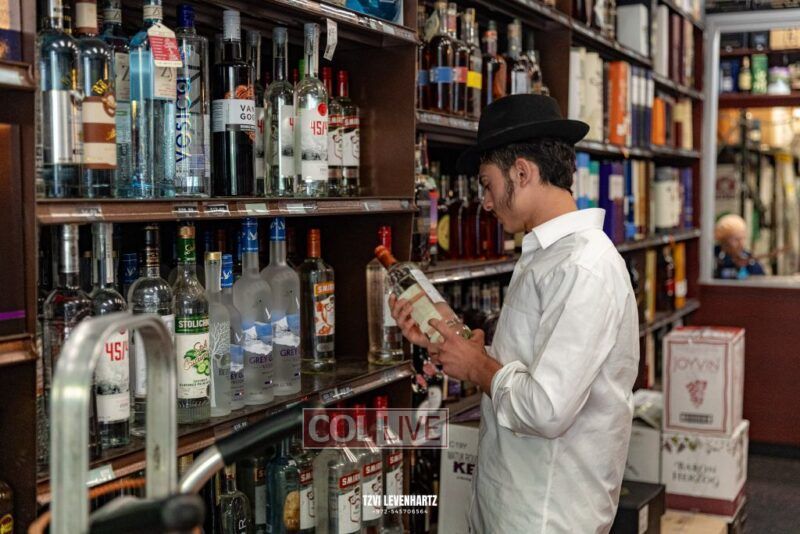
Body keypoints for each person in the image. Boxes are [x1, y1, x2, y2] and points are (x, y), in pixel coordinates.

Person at [390, 95, 640, 532]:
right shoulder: (547, 255)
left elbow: (545, 408)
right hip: (514, 503)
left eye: (487, 184)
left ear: (522, 173)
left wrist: (477, 367)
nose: (485, 202)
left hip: (546, 517)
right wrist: (448, 335)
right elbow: (525, 365)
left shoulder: (583, 268)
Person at [714, 213, 765, 280]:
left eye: (743, 238)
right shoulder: (712, 257)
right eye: (736, 239)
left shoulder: (749, 260)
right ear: (723, 240)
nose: (741, 243)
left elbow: (759, 279)